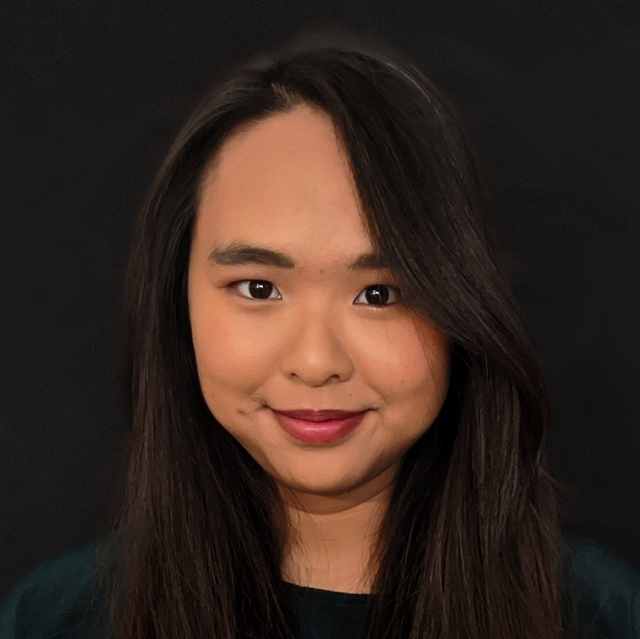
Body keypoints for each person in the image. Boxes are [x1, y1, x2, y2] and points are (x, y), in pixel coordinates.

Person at [2, 26, 639, 639]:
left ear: (462, 307)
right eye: (258, 289)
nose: (315, 362)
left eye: (379, 294)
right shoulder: (54, 620)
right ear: (177, 300)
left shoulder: (601, 617)